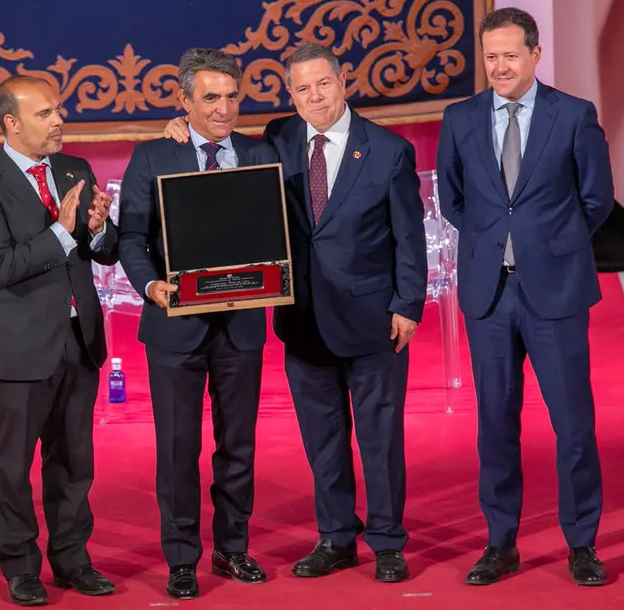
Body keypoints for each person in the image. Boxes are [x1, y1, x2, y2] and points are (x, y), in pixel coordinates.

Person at [164, 42, 428, 583]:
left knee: (379, 439)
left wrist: (408, 305)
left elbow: (410, 237)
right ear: (291, 94)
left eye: (323, 84)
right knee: (323, 439)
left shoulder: (388, 151)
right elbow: (223, 154)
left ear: (342, 81)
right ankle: (335, 536)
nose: (314, 97)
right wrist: (179, 131)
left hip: (374, 320)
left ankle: (386, 542)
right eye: (302, 89)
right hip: (302, 319)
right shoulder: (279, 139)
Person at [435, 7, 615, 586]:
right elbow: (454, 200)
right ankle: (500, 541)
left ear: (536, 55)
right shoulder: (460, 118)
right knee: (495, 423)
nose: (500, 66)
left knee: (573, 425)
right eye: (491, 56)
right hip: (489, 296)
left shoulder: (573, 115)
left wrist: (550, 247)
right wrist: (494, 245)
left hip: (554, 293)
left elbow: (597, 198)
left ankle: (582, 544)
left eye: (511, 55)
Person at [117, 48, 277, 600]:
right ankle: (181, 558)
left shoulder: (264, 153)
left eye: (232, 96)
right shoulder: (153, 157)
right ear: (183, 101)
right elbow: (131, 238)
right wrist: (151, 286)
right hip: (173, 327)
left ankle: (233, 549)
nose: (224, 108)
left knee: (239, 445)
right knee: (178, 446)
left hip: (242, 328)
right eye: (210, 97)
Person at [0, 75, 119, 607]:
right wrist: (62, 229)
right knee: (12, 466)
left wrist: (96, 228)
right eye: (46, 114)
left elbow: (105, 249)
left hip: (78, 339)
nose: (59, 122)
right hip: (19, 349)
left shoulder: (75, 169)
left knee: (74, 461)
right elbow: (1, 267)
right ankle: (21, 568)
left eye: (58, 111)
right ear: (12, 122)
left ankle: (73, 559)